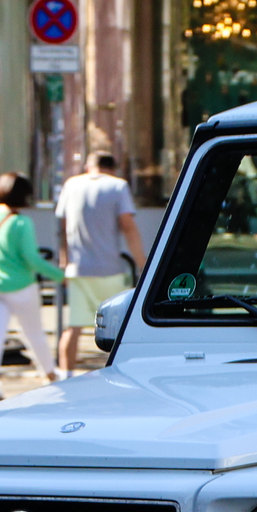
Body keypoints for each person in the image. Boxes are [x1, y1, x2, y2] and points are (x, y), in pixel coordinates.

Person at [0, 171, 63, 401]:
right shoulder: (22, 222)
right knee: (34, 333)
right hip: (21, 286)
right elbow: (32, 258)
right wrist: (60, 275)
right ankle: (51, 376)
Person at [51, 152, 145, 372]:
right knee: (120, 328)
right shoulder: (118, 186)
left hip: (78, 268)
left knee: (73, 327)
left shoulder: (71, 185)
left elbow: (63, 228)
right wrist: (142, 261)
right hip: (109, 268)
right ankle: (119, 372)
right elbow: (127, 225)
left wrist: (64, 261)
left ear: (88, 166)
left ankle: (66, 374)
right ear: (113, 167)